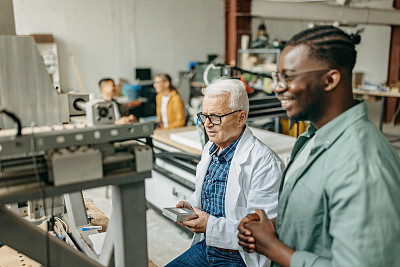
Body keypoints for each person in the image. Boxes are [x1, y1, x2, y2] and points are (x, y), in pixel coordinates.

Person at [237, 25, 400, 267]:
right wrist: (273, 226)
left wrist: (272, 247)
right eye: (277, 77)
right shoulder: (313, 138)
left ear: (330, 79)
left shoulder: (362, 164)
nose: (278, 88)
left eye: (288, 77)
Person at [166, 78, 284, 267]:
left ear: (241, 118)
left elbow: (263, 233)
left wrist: (209, 226)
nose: (207, 124)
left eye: (216, 117)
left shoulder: (265, 163)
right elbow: (208, 193)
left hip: (239, 258)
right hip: (207, 248)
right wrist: (190, 205)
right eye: (204, 116)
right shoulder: (210, 149)